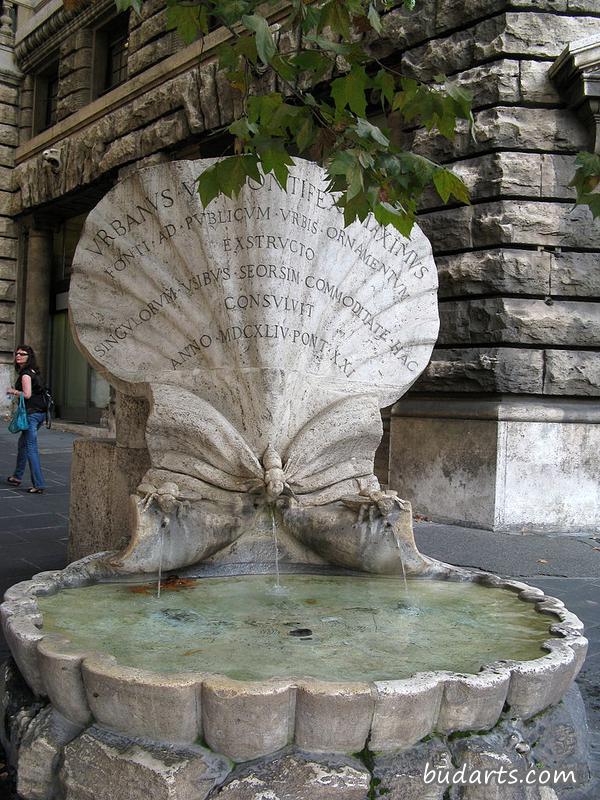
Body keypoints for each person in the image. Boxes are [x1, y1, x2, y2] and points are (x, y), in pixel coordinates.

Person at [6, 345, 46, 493]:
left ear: (29, 356)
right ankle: (17, 476)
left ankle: (39, 484)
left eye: (22, 354)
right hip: (40, 413)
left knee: (31, 448)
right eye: (17, 353)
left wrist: (13, 391)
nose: (18, 356)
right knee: (23, 444)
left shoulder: (26, 374)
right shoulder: (34, 371)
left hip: (31, 415)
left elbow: (27, 394)